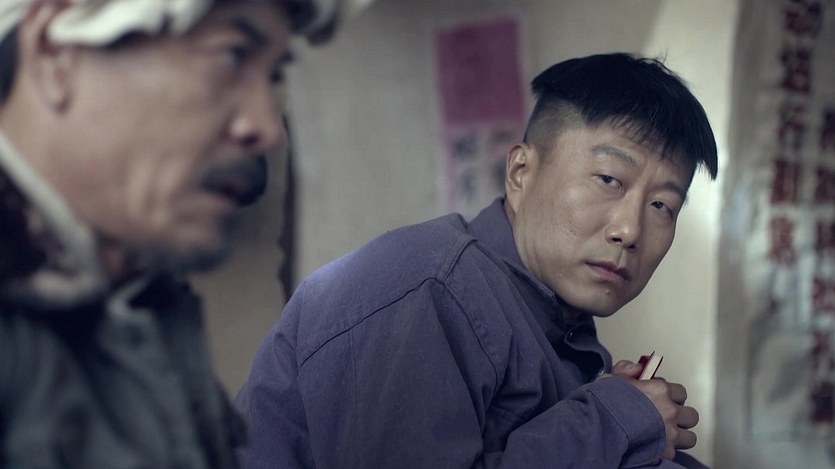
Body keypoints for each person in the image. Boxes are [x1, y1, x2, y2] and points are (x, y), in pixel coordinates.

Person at [236, 52, 719, 468]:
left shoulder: (548, 317)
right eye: (609, 180)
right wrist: (615, 419)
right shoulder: (429, 286)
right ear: (521, 172)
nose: (629, 231)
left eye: (662, 206)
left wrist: (625, 416)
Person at [0, 0, 341, 467]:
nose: (265, 127)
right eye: (231, 55)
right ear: (53, 52)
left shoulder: (136, 309)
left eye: (273, 75)